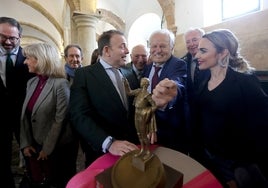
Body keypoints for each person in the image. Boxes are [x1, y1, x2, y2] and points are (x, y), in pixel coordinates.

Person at [192, 29, 268, 188]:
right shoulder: (203, 80)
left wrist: (236, 165)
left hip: (236, 164)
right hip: (209, 159)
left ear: (223, 53)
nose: (196, 56)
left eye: (203, 51)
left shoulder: (245, 82)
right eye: (198, 50)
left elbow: (262, 128)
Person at [20, 43, 77, 188]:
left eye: (28, 58)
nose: (25, 61)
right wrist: (25, 143)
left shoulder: (61, 84)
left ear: (40, 59)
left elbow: (60, 119)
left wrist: (47, 148)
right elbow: (25, 116)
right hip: (35, 145)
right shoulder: (31, 82)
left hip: (57, 148)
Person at [0, 16, 34, 188]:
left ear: (19, 37)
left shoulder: (30, 59)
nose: (7, 41)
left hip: (24, 118)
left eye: (12, 38)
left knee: (31, 155)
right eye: (2, 36)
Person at [143, 28, 188, 154]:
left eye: (163, 46)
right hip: (148, 129)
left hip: (171, 132)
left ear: (172, 47)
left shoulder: (179, 65)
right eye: (154, 46)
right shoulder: (147, 68)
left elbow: (178, 83)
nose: (158, 50)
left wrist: (172, 91)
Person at [124, 77, 157, 160]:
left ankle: (148, 151)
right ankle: (142, 149)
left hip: (143, 115)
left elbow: (154, 106)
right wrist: (126, 84)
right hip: (136, 113)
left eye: (143, 82)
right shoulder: (138, 91)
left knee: (144, 135)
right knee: (138, 133)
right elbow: (129, 92)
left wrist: (146, 111)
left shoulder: (147, 95)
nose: (141, 83)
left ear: (145, 84)